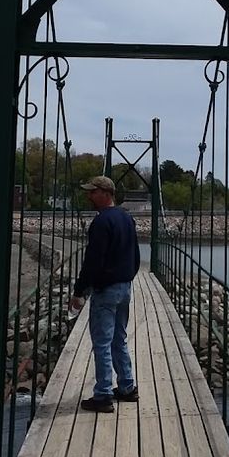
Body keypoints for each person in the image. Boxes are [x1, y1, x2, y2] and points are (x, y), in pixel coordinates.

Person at [70, 175, 141, 412]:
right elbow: (136, 256)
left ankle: (102, 395)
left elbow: (92, 261)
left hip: (106, 291)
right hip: (125, 288)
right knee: (118, 338)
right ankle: (127, 387)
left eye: (93, 192)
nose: (89, 196)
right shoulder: (126, 218)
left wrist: (79, 291)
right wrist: (128, 276)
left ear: (105, 193)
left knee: (101, 342)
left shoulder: (101, 223)